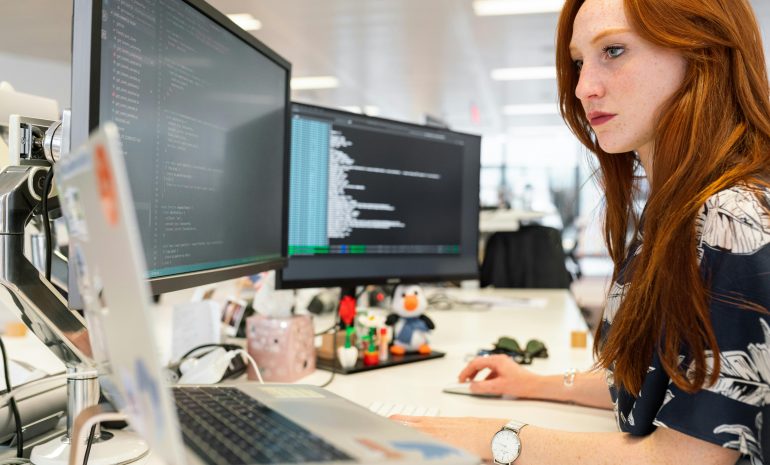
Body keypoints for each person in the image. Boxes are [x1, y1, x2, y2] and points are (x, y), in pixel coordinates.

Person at [392, 0, 770, 463]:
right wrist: (534, 385)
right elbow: (660, 382)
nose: (582, 88)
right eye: (577, 62)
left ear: (703, 52)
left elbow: (686, 456)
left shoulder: (734, 218)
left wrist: (495, 438)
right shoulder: (678, 209)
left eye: (613, 50)